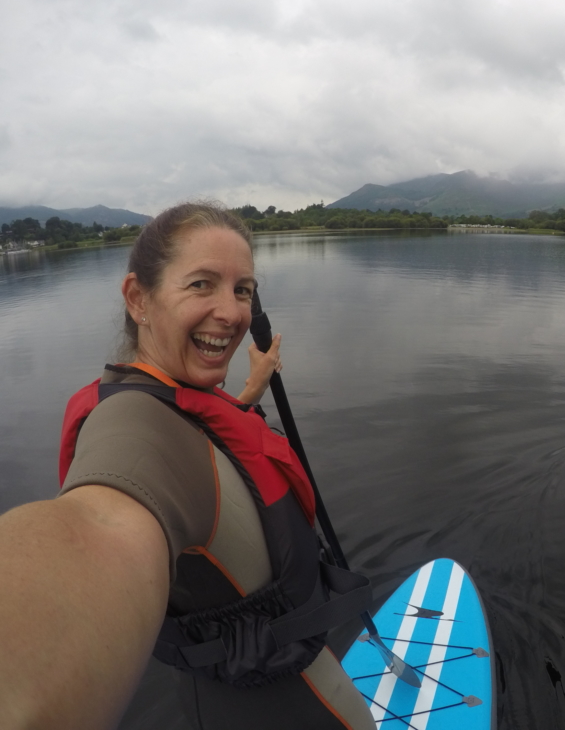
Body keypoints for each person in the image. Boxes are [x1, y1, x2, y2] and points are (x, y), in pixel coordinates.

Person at [0, 203, 376, 729]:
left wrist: (250, 392)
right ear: (138, 299)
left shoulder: (173, 395)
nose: (232, 313)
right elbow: (102, 524)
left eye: (242, 289)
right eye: (201, 285)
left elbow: (213, 453)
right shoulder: (134, 425)